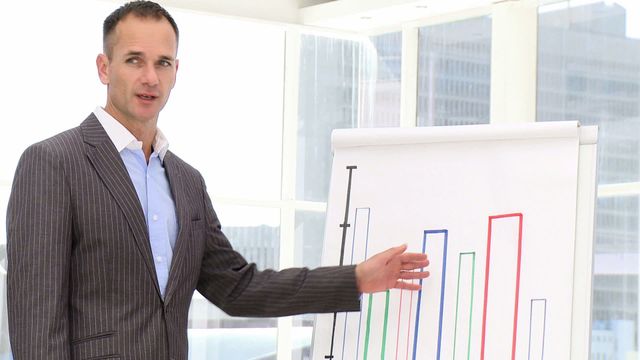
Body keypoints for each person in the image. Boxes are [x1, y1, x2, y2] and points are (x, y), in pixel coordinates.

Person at [6, 1, 429, 359]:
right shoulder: (52, 163)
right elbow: (36, 323)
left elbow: (238, 287)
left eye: (163, 63)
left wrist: (355, 278)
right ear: (104, 67)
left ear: (176, 71)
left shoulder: (187, 182)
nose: (150, 77)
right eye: (134, 60)